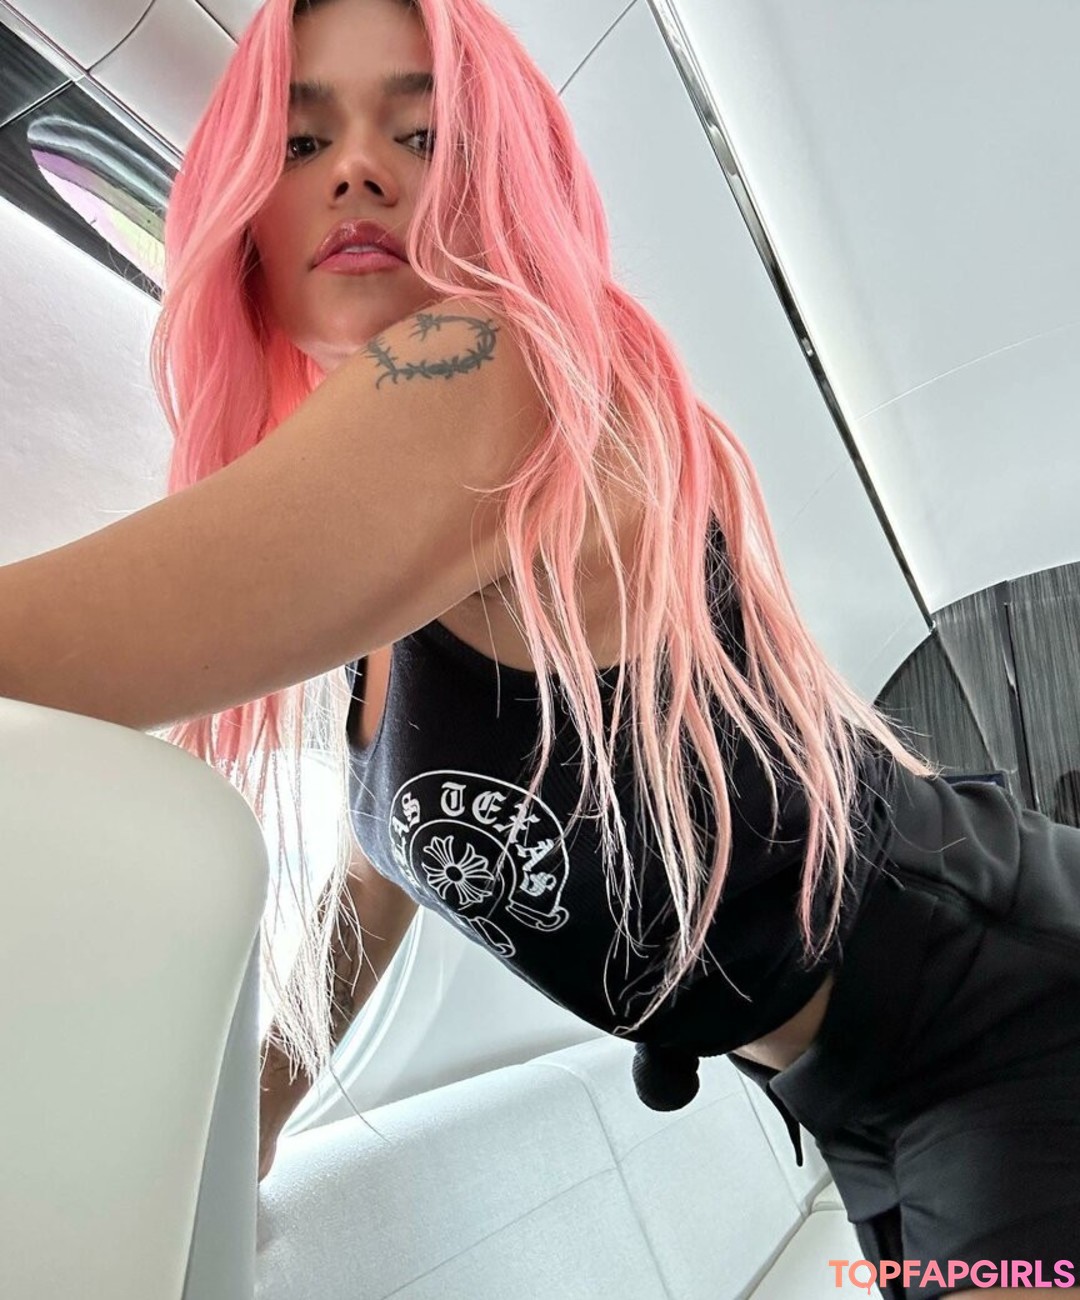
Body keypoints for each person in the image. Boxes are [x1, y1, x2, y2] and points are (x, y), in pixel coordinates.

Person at [2, 1, 1077, 1296]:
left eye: (422, 132)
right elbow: (380, 886)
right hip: (844, 1082)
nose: (357, 167)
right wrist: (260, 1116)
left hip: (1000, 998)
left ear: (499, 174)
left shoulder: (490, 370)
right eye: (299, 141)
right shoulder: (387, 602)